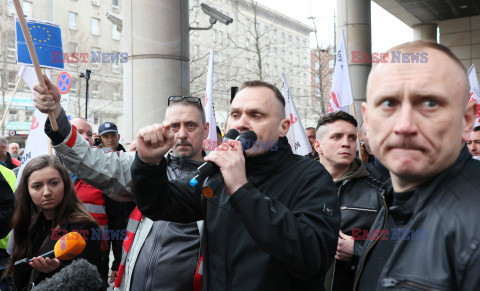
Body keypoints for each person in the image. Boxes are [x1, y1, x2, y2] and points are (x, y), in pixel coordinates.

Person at [132, 80, 340, 290]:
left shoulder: (310, 177)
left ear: (283, 127)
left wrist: (242, 189)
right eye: (235, 115)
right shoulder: (216, 175)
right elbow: (160, 204)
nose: (241, 123)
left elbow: (313, 258)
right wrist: (148, 164)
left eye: (256, 115)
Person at [32, 78, 205, 290]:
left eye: (191, 125)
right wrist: (57, 112)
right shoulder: (143, 166)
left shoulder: (217, 181)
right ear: (163, 129)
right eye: (174, 126)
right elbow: (88, 159)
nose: (182, 134)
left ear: (205, 129)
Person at [354, 41, 480, 290]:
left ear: (467, 120)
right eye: (389, 103)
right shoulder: (393, 199)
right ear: (367, 119)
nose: (404, 125)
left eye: (429, 103)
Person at [4, 155, 101, 290]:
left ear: (65, 184)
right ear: (27, 191)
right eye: (37, 186)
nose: (47, 192)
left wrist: (56, 270)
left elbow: (88, 282)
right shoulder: (30, 224)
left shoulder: (83, 228)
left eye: (54, 183)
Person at [313, 111, 382, 291]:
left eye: (352, 138)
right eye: (337, 137)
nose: (346, 143)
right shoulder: (297, 185)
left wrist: (358, 250)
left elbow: (400, 241)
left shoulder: (379, 189)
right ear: (318, 145)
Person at [69, 117, 132, 287]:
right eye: (78, 132)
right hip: (58, 256)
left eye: (89, 134)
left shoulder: (105, 175)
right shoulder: (51, 171)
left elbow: (118, 222)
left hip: (97, 259)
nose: (85, 137)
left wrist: (117, 261)